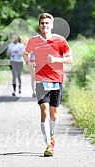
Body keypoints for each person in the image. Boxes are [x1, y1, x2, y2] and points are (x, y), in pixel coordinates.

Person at [22, 13, 73, 157]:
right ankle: (48, 145)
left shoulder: (60, 40)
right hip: (41, 80)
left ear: (52, 25)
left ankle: (51, 133)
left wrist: (56, 59)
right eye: (42, 23)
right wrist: (29, 65)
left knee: (54, 115)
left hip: (56, 80)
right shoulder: (33, 41)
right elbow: (25, 54)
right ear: (39, 25)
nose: (45, 25)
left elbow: (70, 59)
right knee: (44, 111)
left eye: (47, 23)